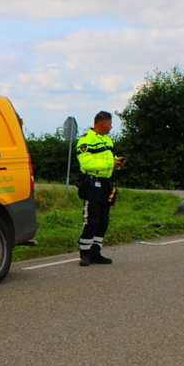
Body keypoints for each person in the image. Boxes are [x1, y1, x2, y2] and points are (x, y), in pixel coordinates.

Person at [76, 111, 125, 266]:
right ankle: (85, 253)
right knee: (92, 220)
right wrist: (110, 163)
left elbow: (108, 160)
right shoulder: (86, 140)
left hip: (106, 183)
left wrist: (117, 163)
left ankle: (96, 252)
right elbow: (86, 163)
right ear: (102, 124)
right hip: (92, 184)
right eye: (110, 124)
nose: (111, 127)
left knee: (103, 220)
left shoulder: (107, 140)